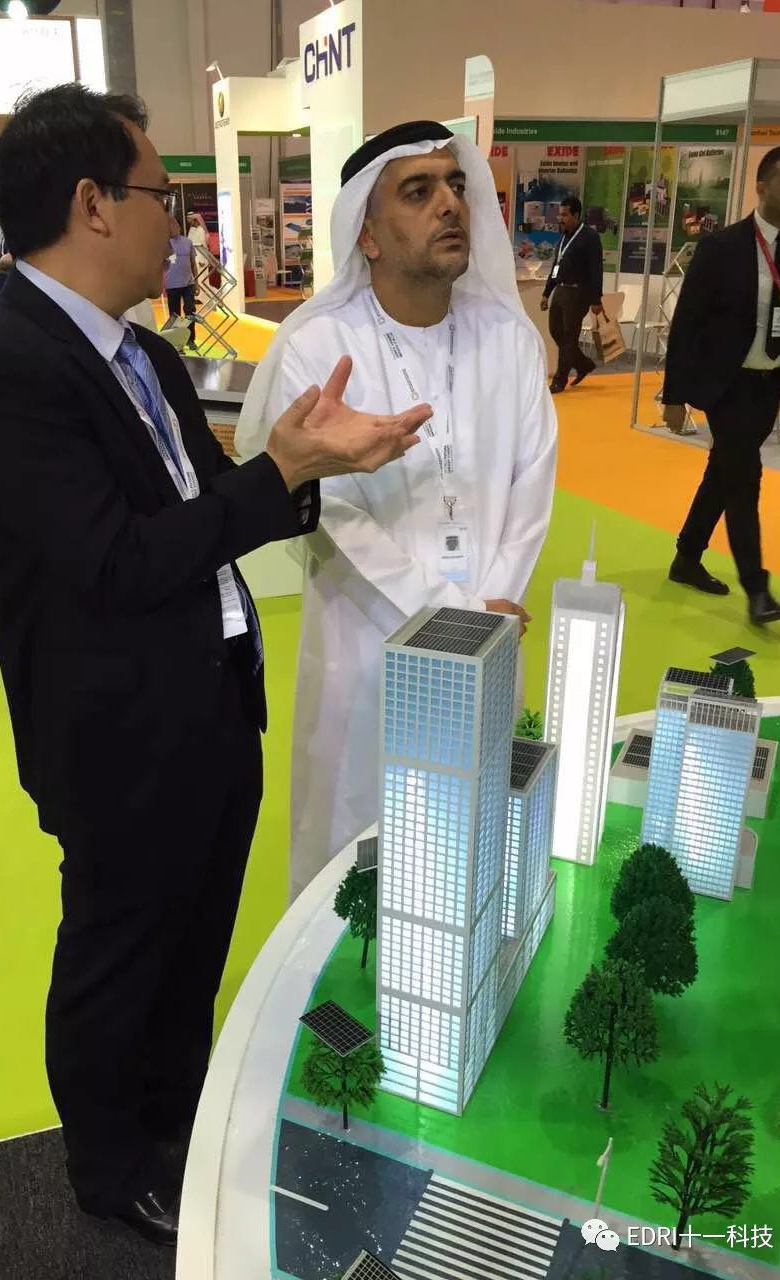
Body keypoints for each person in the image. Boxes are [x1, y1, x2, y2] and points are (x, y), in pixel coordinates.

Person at [0, 84, 429, 1246]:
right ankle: (110, 1167)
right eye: (163, 192)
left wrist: (298, 464)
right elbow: (111, 562)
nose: (178, 218)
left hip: (209, 700)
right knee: (117, 951)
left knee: (193, 934)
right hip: (113, 732)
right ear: (92, 204)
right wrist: (279, 474)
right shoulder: (4, 366)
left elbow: (206, 507)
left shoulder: (145, 354)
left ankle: (176, 1112)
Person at [236, 120, 557, 901]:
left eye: (456, 186)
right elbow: (335, 514)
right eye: (418, 191)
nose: (450, 204)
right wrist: (459, 613)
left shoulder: (508, 340)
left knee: (473, 845)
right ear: (368, 233)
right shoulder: (319, 348)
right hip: (369, 643)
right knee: (358, 858)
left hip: (493, 626)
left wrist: (491, 602)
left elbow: (533, 480)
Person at [663, 143, 780, 626]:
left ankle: (687, 558)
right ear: (761, 187)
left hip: (770, 383)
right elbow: (686, 323)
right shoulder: (720, 248)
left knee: (724, 471)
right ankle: (757, 589)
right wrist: (674, 395)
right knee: (745, 478)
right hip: (726, 385)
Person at [540, 196, 604, 393]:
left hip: (578, 293)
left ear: (576, 215)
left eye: (564, 215)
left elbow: (596, 270)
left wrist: (596, 299)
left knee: (569, 337)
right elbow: (556, 267)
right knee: (555, 331)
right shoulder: (564, 238)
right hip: (561, 289)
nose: (560, 218)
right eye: (559, 214)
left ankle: (559, 380)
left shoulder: (590, 237)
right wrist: (546, 292)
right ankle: (583, 364)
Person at [163, 214, 197, 351]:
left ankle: (191, 339)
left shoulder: (188, 242)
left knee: (190, 311)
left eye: (175, 225)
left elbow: (193, 263)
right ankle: (177, 344)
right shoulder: (164, 244)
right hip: (171, 285)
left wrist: (196, 282)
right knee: (174, 315)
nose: (173, 228)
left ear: (179, 227)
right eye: (170, 225)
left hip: (188, 283)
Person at [185, 212, 208, 303]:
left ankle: (201, 298)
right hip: (193, 256)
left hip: (200, 257)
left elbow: (203, 246)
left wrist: (202, 259)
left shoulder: (201, 230)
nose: (188, 221)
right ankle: (195, 296)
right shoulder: (191, 229)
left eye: (189, 219)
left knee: (201, 278)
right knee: (194, 277)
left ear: (194, 220)